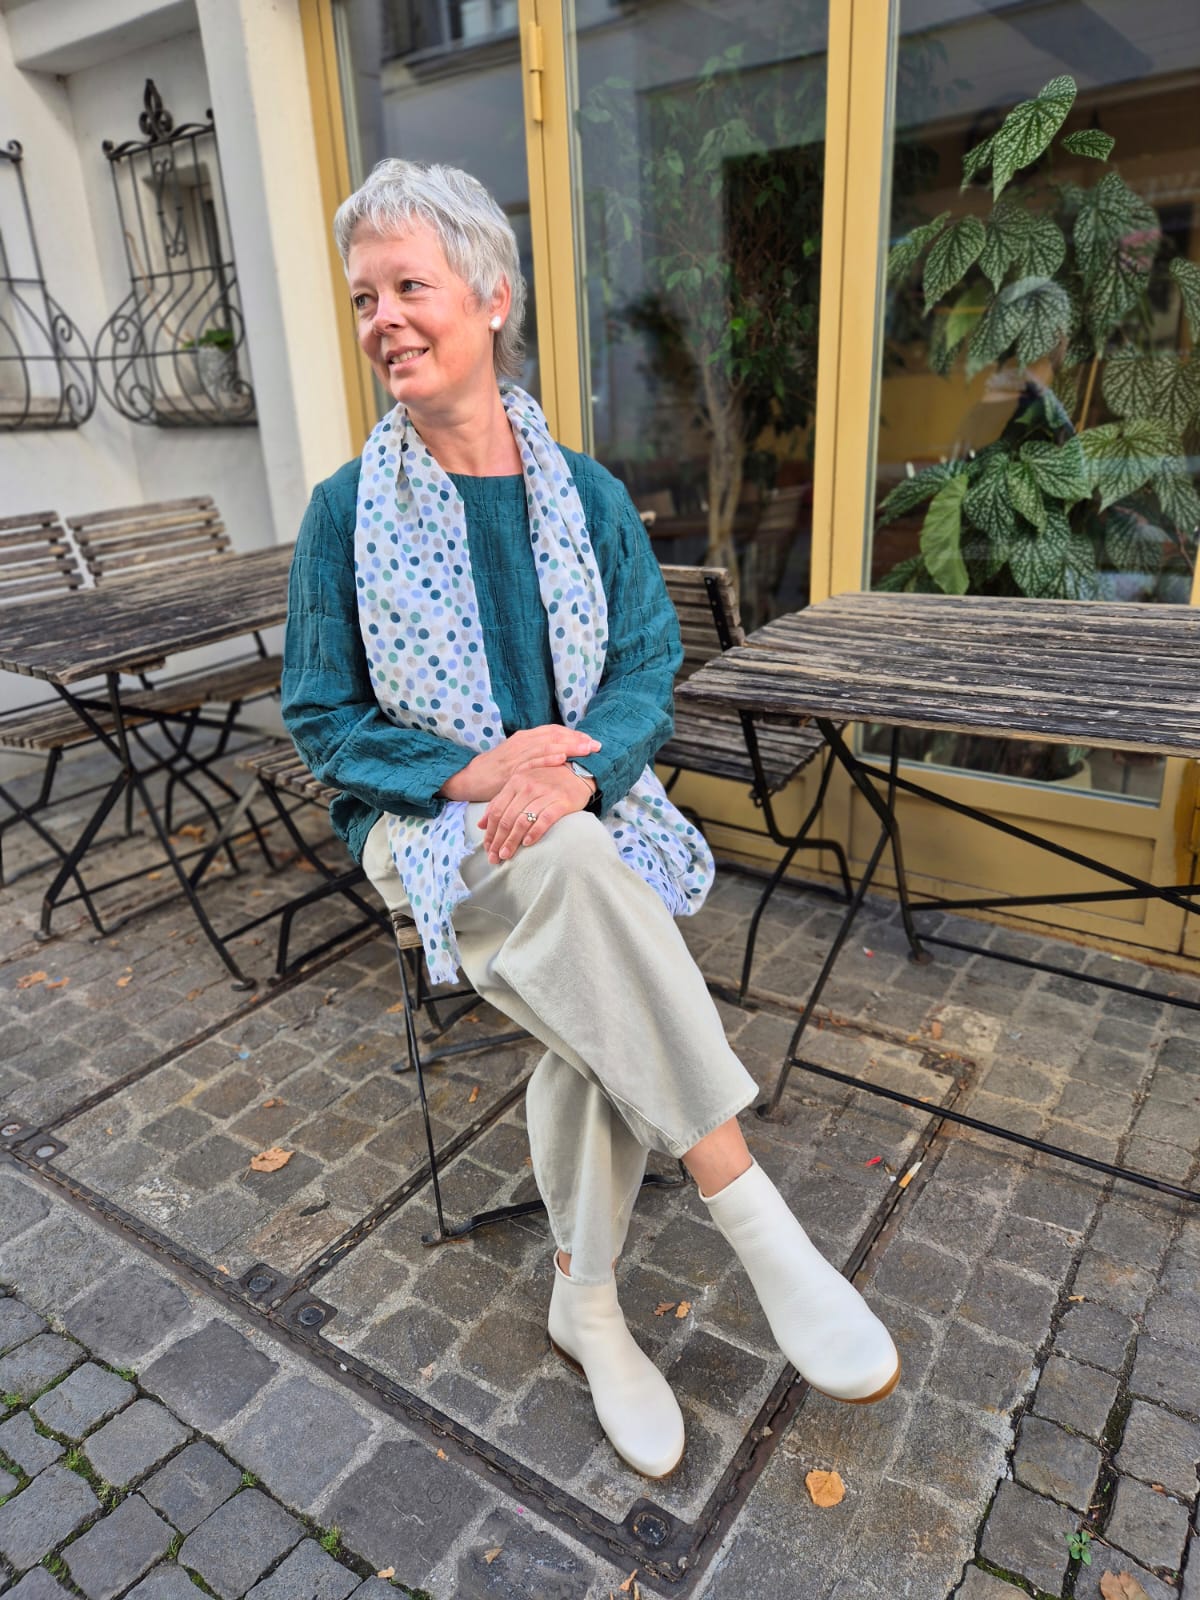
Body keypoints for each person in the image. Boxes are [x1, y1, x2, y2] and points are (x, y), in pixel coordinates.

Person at [281, 158, 899, 1480]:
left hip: (578, 827)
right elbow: (324, 721)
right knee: (575, 872)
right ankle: (753, 1214)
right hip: (427, 833)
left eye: (408, 286)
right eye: (364, 297)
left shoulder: (590, 495)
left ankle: (590, 1306)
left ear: (489, 296)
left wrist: (579, 772)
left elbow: (645, 668)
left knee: (587, 998)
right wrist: (482, 775)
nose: (383, 319)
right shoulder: (343, 514)